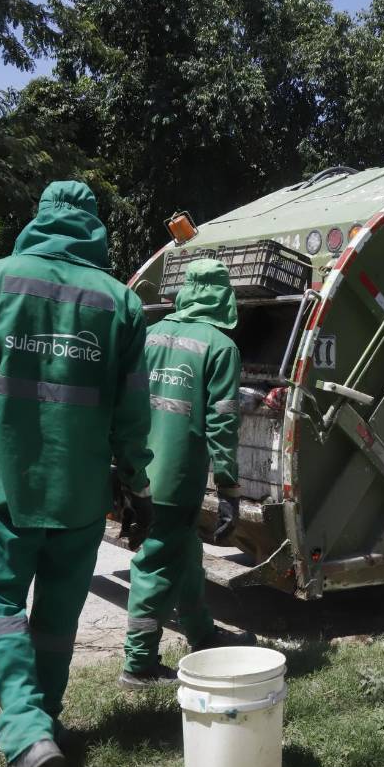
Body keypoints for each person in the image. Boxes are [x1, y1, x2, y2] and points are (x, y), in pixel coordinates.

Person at [0, 181, 154, 767]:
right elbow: (135, 412)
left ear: (40, 219)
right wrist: (137, 485)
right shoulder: (122, 303)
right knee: (55, 622)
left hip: (8, 490)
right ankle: (41, 736)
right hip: (80, 498)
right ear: (94, 227)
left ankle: (27, 737)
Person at [118, 258, 255, 690]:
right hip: (176, 478)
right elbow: (222, 423)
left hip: (139, 469)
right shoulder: (219, 347)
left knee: (184, 553)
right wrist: (230, 487)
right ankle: (138, 663)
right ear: (222, 296)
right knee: (157, 561)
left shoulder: (149, 334)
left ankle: (203, 635)